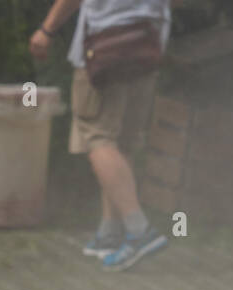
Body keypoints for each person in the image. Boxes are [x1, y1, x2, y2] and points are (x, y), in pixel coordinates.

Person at [30, 0, 172, 271]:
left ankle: (139, 230)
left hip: (104, 48)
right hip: (148, 44)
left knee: (97, 138)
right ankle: (111, 234)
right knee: (122, 143)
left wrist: (46, 30)